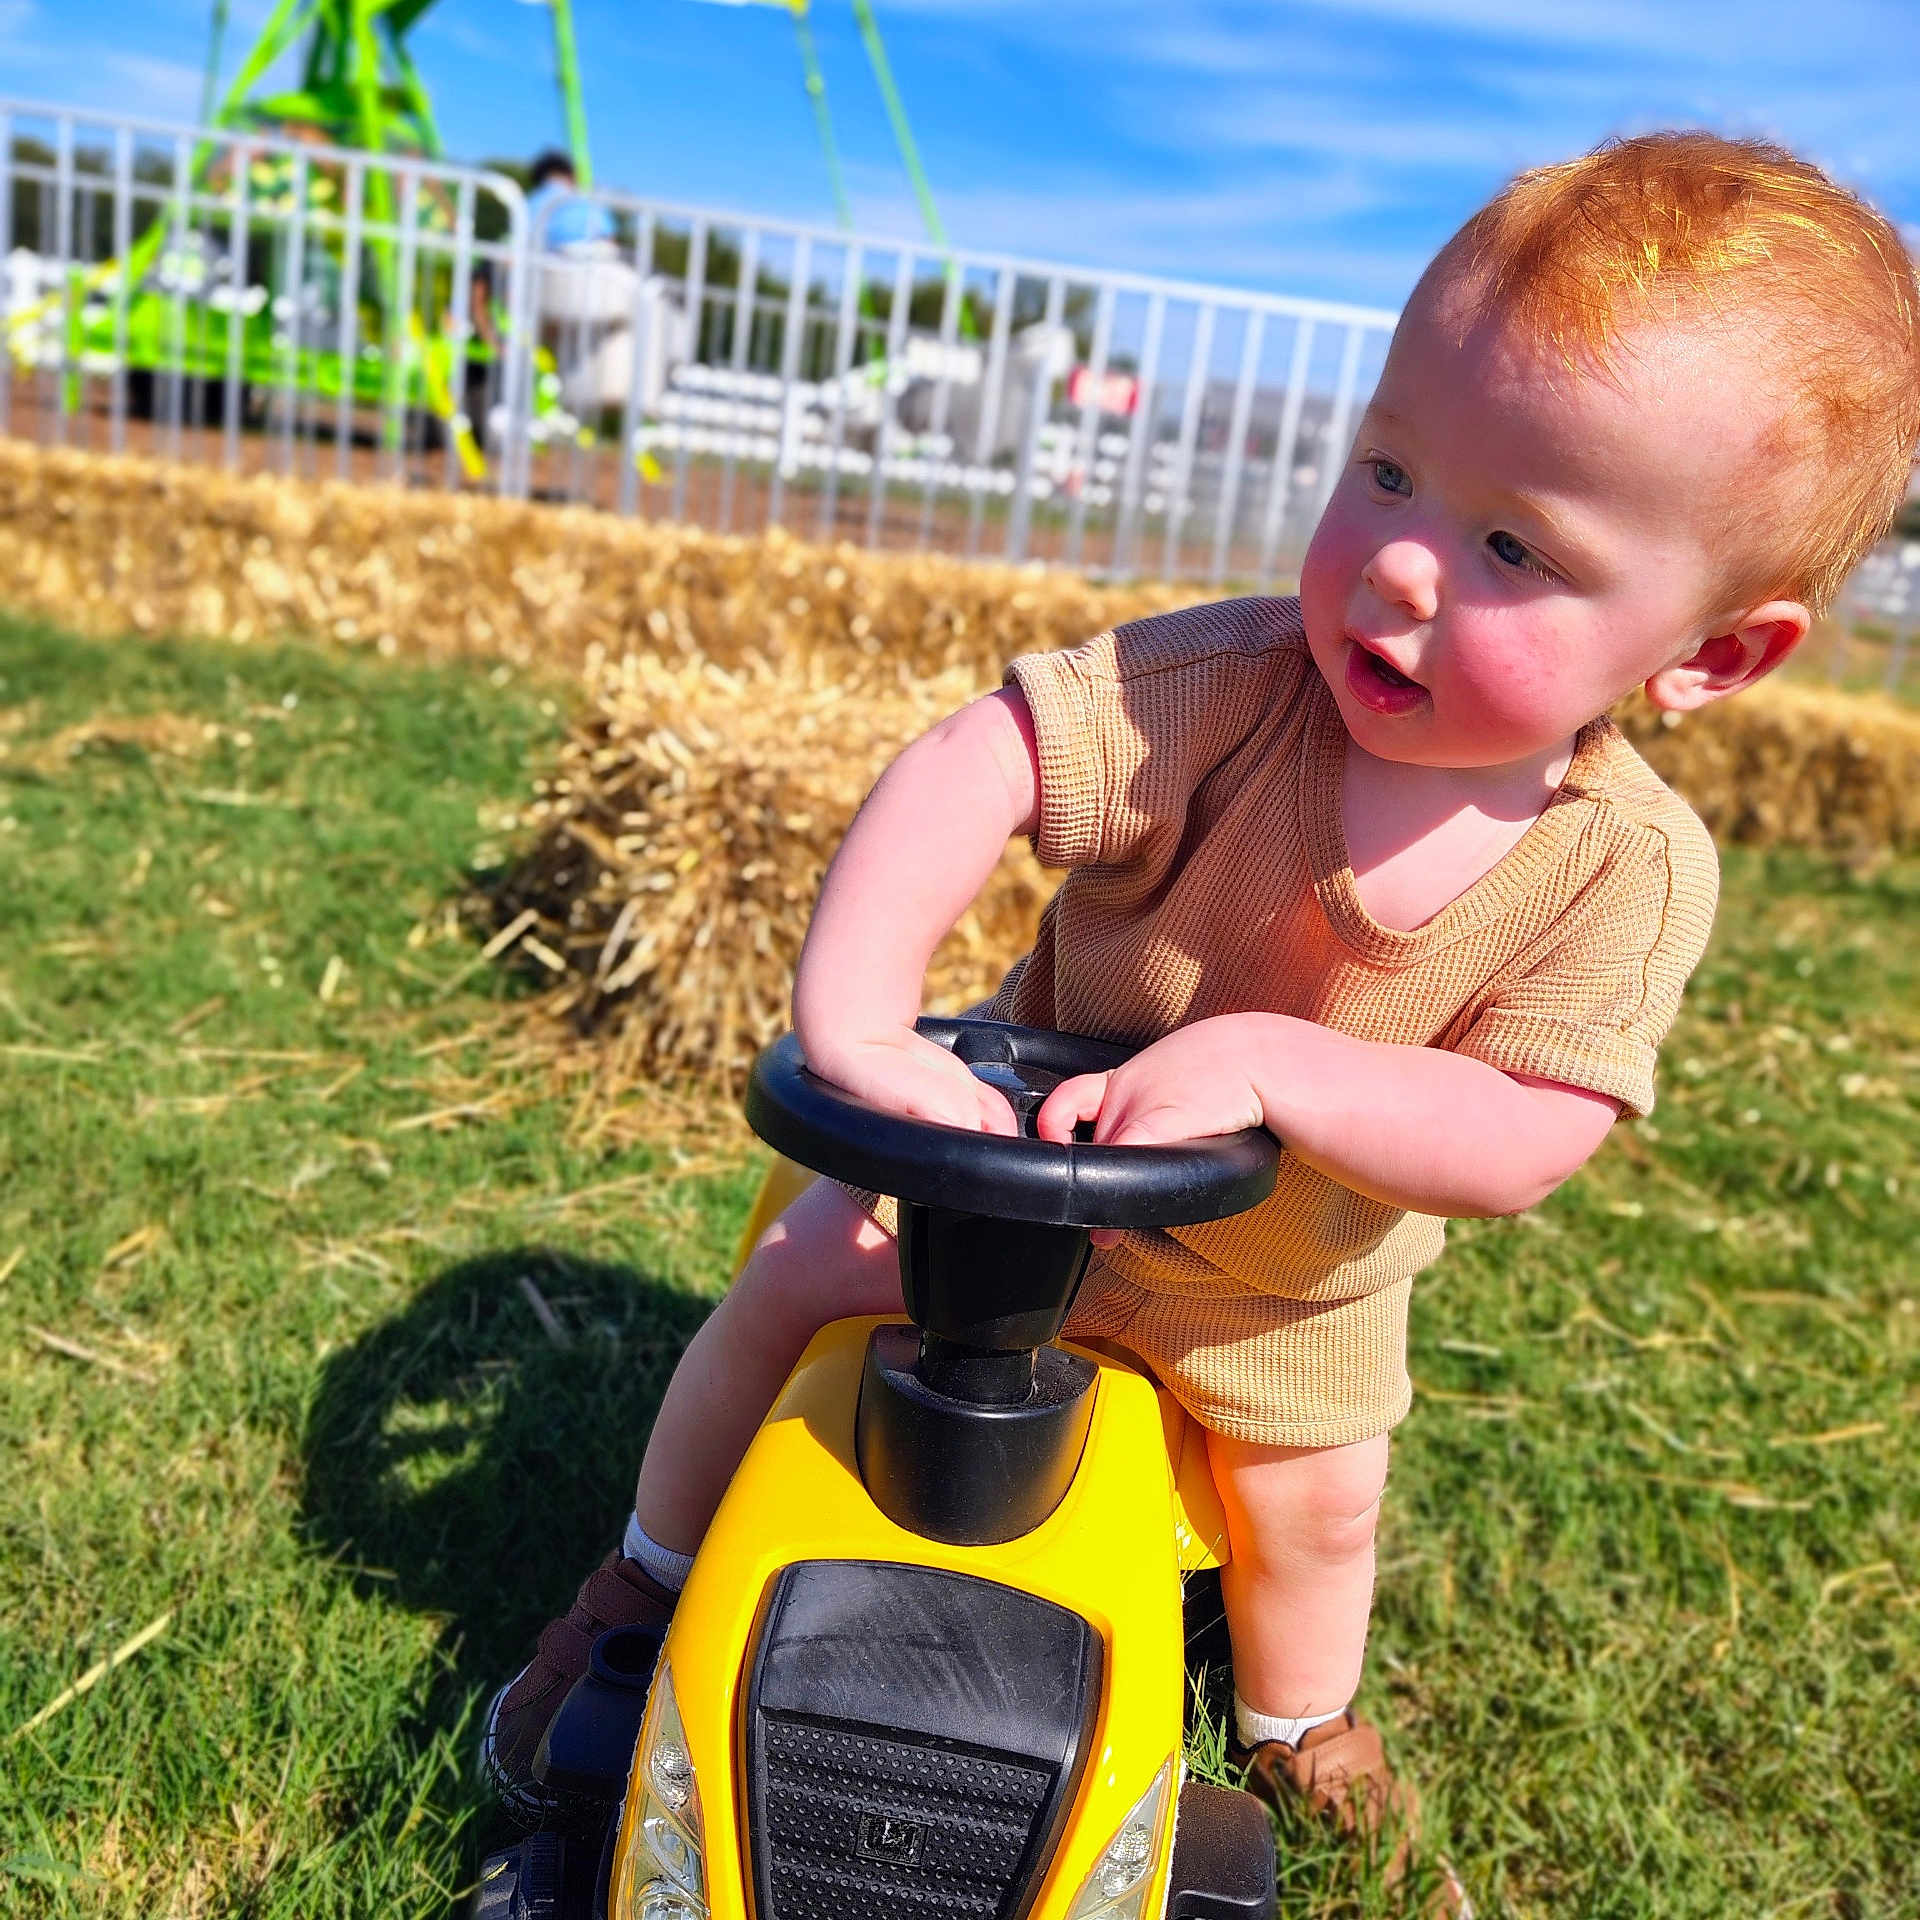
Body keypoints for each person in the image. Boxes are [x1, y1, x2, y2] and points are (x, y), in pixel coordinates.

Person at [482, 130, 1920, 1878]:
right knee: (796, 1278)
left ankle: (1299, 1725)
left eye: (1509, 548)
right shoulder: (1223, 690)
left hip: (1284, 1293)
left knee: (1316, 1508)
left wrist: (1267, 1062)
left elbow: (1528, 1134)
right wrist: (860, 1021)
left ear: (1711, 654)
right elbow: (974, 763)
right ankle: (646, 1574)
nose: (1397, 567)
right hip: (1004, 1203)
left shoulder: (1625, 872)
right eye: (1385, 471)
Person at [525, 148, 615, 252]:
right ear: (571, 175)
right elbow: (608, 239)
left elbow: (524, 239)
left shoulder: (533, 201)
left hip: (550, 260)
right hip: (600, 258)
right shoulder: (591, 199)